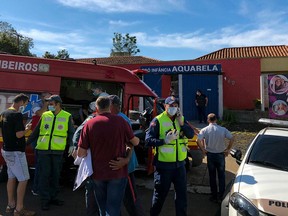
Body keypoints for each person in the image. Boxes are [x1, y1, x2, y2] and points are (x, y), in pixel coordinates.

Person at [77, 96, 139, 216]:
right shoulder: (121, 121)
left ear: (96, 107)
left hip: (97, 173)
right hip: (117, 172)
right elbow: (134, 142)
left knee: (102, 208)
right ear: (110, 107)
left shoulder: (89, 124)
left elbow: (81, 153)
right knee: (113, 209)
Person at [145, 96, 194, 216]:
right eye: (171, 105)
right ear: (165, 106)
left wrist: (182, 124)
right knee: (159, 196)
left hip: (180, 166)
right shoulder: (158, 120)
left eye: (176, 106)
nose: (173, 108)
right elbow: (148, 140)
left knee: (182, 197)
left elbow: (191, 135)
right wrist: (164, 141)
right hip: (163, 167)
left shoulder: (181, 119)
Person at [27, 95, 75, 211]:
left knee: (55, 175)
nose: (49, 106)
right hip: (43, 151)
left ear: (58, 104)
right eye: (48, 104)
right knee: (44, 176)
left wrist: (73, 145)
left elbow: (71, 132)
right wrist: (26, 143)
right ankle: (45, 200)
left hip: (57, 151)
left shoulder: (67, 116)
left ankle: (52, 197)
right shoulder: (45, 115)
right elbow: (36, 131)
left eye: (51, 104)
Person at [108, 95, 145, 216]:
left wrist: (126, 159)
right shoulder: (113, 118)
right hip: (118, 165)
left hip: (125, 167)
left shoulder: (121, 119)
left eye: (108, 105)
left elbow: (130, 143)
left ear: (114, 106)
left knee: (130, 197)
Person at [0, 93, 35, 216]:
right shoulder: (17, 114)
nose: (24, 106)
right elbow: (19, 134)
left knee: (11, 177)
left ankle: (10, 205)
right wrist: (27, 129)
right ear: (21, 102)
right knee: (24, 179)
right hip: (16, 152)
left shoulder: (4, 113)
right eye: (25, 104)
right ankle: (19, 209)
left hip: (6, 150)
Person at [196, 113, 234, 203]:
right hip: (221, 155)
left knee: (212, 176)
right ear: (216, 120)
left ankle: (214, 196)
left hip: (211, 155)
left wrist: (203, 150)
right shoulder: (223, 129)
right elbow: (232, 138)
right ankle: (221, 196)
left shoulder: (204, 130)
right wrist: (228, 149)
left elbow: (197, 140)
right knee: (221, 176)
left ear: (208, 120)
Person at [72, 101, 98, 216]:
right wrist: (79, 149)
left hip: (93, 161)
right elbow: (77, 135)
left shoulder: (93, 118)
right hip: (91, 160)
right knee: (92, 190)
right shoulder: (92, 119)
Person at [30, 92, 52, 196]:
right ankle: (36, 188)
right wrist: (46, 104)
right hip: (37, 137)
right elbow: (40, 113)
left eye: (49, 97)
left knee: (45, 164)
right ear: (42, 98)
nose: (48, 99)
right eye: (46, 97)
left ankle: (44, 186)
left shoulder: (51, 106)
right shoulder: (36, 104)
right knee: (39, 163)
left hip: (46, 137)